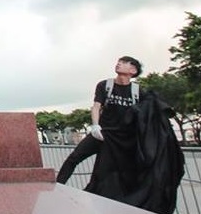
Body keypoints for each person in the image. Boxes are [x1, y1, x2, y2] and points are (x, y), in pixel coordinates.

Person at [56, 56, 142, 184]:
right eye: (118, 61)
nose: (118, 64)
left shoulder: (137, 91)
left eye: (124, 62)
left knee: (117, 170)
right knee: (74, 157)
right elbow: (96, 107)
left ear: (133, 70)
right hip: (102, 133)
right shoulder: (105, 85)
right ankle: (58, 186)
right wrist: (95, 126)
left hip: (122, 138)